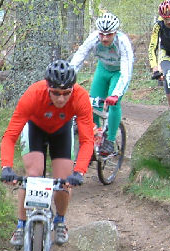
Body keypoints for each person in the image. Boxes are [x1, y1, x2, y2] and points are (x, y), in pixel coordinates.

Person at [1, 60, 94, 248]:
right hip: (35, 129)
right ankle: (21, 224)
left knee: (64, 180)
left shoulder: (81, 97)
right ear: (47, 87)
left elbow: (87, 140)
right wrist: (6, 167)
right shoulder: (33, 94)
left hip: (61, 131)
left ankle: (60, 221)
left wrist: (80, 171)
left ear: (73, 90)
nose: (61, 99)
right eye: (56, 93)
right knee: (33, 175)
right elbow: (10, 135)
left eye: (66, 93)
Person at [68, 12, 134, 157]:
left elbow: (126, 71)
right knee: (92, 104)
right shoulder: (93, 38)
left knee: (113, 103)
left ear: (115, 33)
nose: (104, 38)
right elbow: (80, 55)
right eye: (102, 34)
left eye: (109, 35)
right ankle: (94, 137)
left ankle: (109, 140)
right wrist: (68, 76)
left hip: (118, 72)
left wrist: (116, 94)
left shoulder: (122, 42)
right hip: (102, 69)